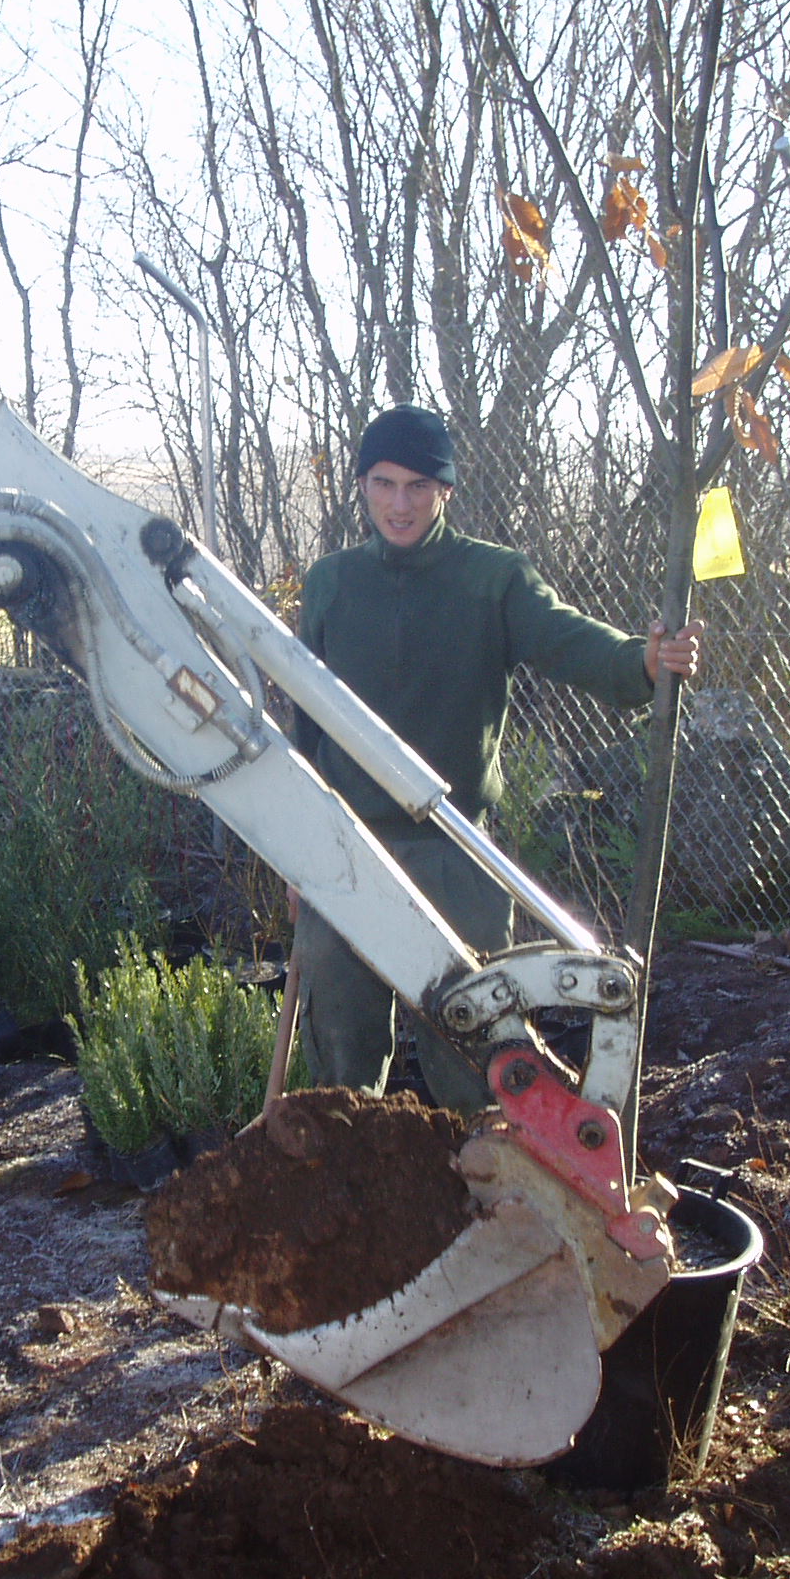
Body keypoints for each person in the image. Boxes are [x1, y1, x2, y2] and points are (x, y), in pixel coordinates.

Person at [288, 403, 703, 1114]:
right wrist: (297, 851)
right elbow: (305, 723)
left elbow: (567, 639)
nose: (399, 504)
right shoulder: (331, 583)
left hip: (456, 849)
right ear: (361, 487)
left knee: (473, 1048)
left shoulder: (493, 579)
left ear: (445, 490)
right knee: (340, 1047)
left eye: (418, 486)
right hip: (345, 847)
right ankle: (352, 1170)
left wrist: (642, 660)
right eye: (384, 484)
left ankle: (484, 1171)